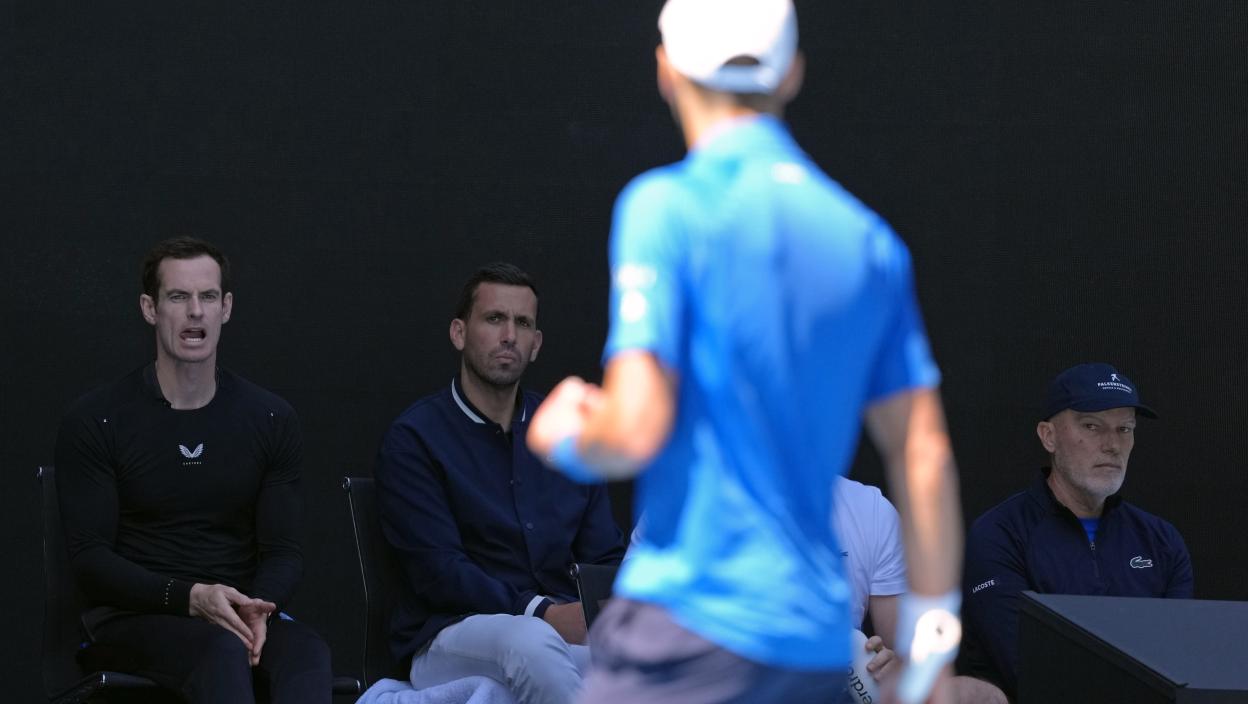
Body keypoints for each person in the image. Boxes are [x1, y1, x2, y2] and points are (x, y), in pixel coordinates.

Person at [526, 1, 965, 701]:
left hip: (684, 631)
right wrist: (935, 650)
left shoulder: (664, 207)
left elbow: (633, 428)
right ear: (792, 74)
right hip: (808, 647)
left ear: (666, 70)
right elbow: (925, 454)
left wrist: (568, 434)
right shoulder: (868, 242)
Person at [54, 237, 332, 703]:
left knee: (307, 653)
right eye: (178, 297)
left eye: (208, 297)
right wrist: (189, 597)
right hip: (134, 618)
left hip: (238, 614)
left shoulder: (270, 418)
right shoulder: (97, 419)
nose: (195, 312)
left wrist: (259, 608)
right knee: (220, 650)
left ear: (226, 308)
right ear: (150, 308)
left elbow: (284, 551)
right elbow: (90, 560)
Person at [374, 263, 625, 704]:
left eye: (522, 323)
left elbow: (603, 556)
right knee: (531, 641)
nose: (509, 335)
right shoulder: (416, 438)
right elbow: (439, 573)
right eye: (494, 319)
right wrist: (541, 611)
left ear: (536, 344)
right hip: (451, 632)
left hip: (560, 632)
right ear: (459, 333)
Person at [959, 363, 1194, 700]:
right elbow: (1028, 668)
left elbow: (1180, 667)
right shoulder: (1000, 534)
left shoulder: (1161, 541)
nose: (1112, 445)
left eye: (1125, 429)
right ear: (1049, 436)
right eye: (1092, 426)